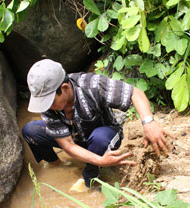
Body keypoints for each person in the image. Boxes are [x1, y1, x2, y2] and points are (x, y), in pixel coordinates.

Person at [22, 59, 172, 191]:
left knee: (99, 138)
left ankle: (88, 179)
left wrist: (149, 123)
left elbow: (135, 93)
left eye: (51, 101)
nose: (48, 107)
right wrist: (100, 160)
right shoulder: (48, 108)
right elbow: (68, 145)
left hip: (104, 135)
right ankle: (57, 165)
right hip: (73, 139)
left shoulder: (92, 85)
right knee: (31, 130)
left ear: (65, 88)